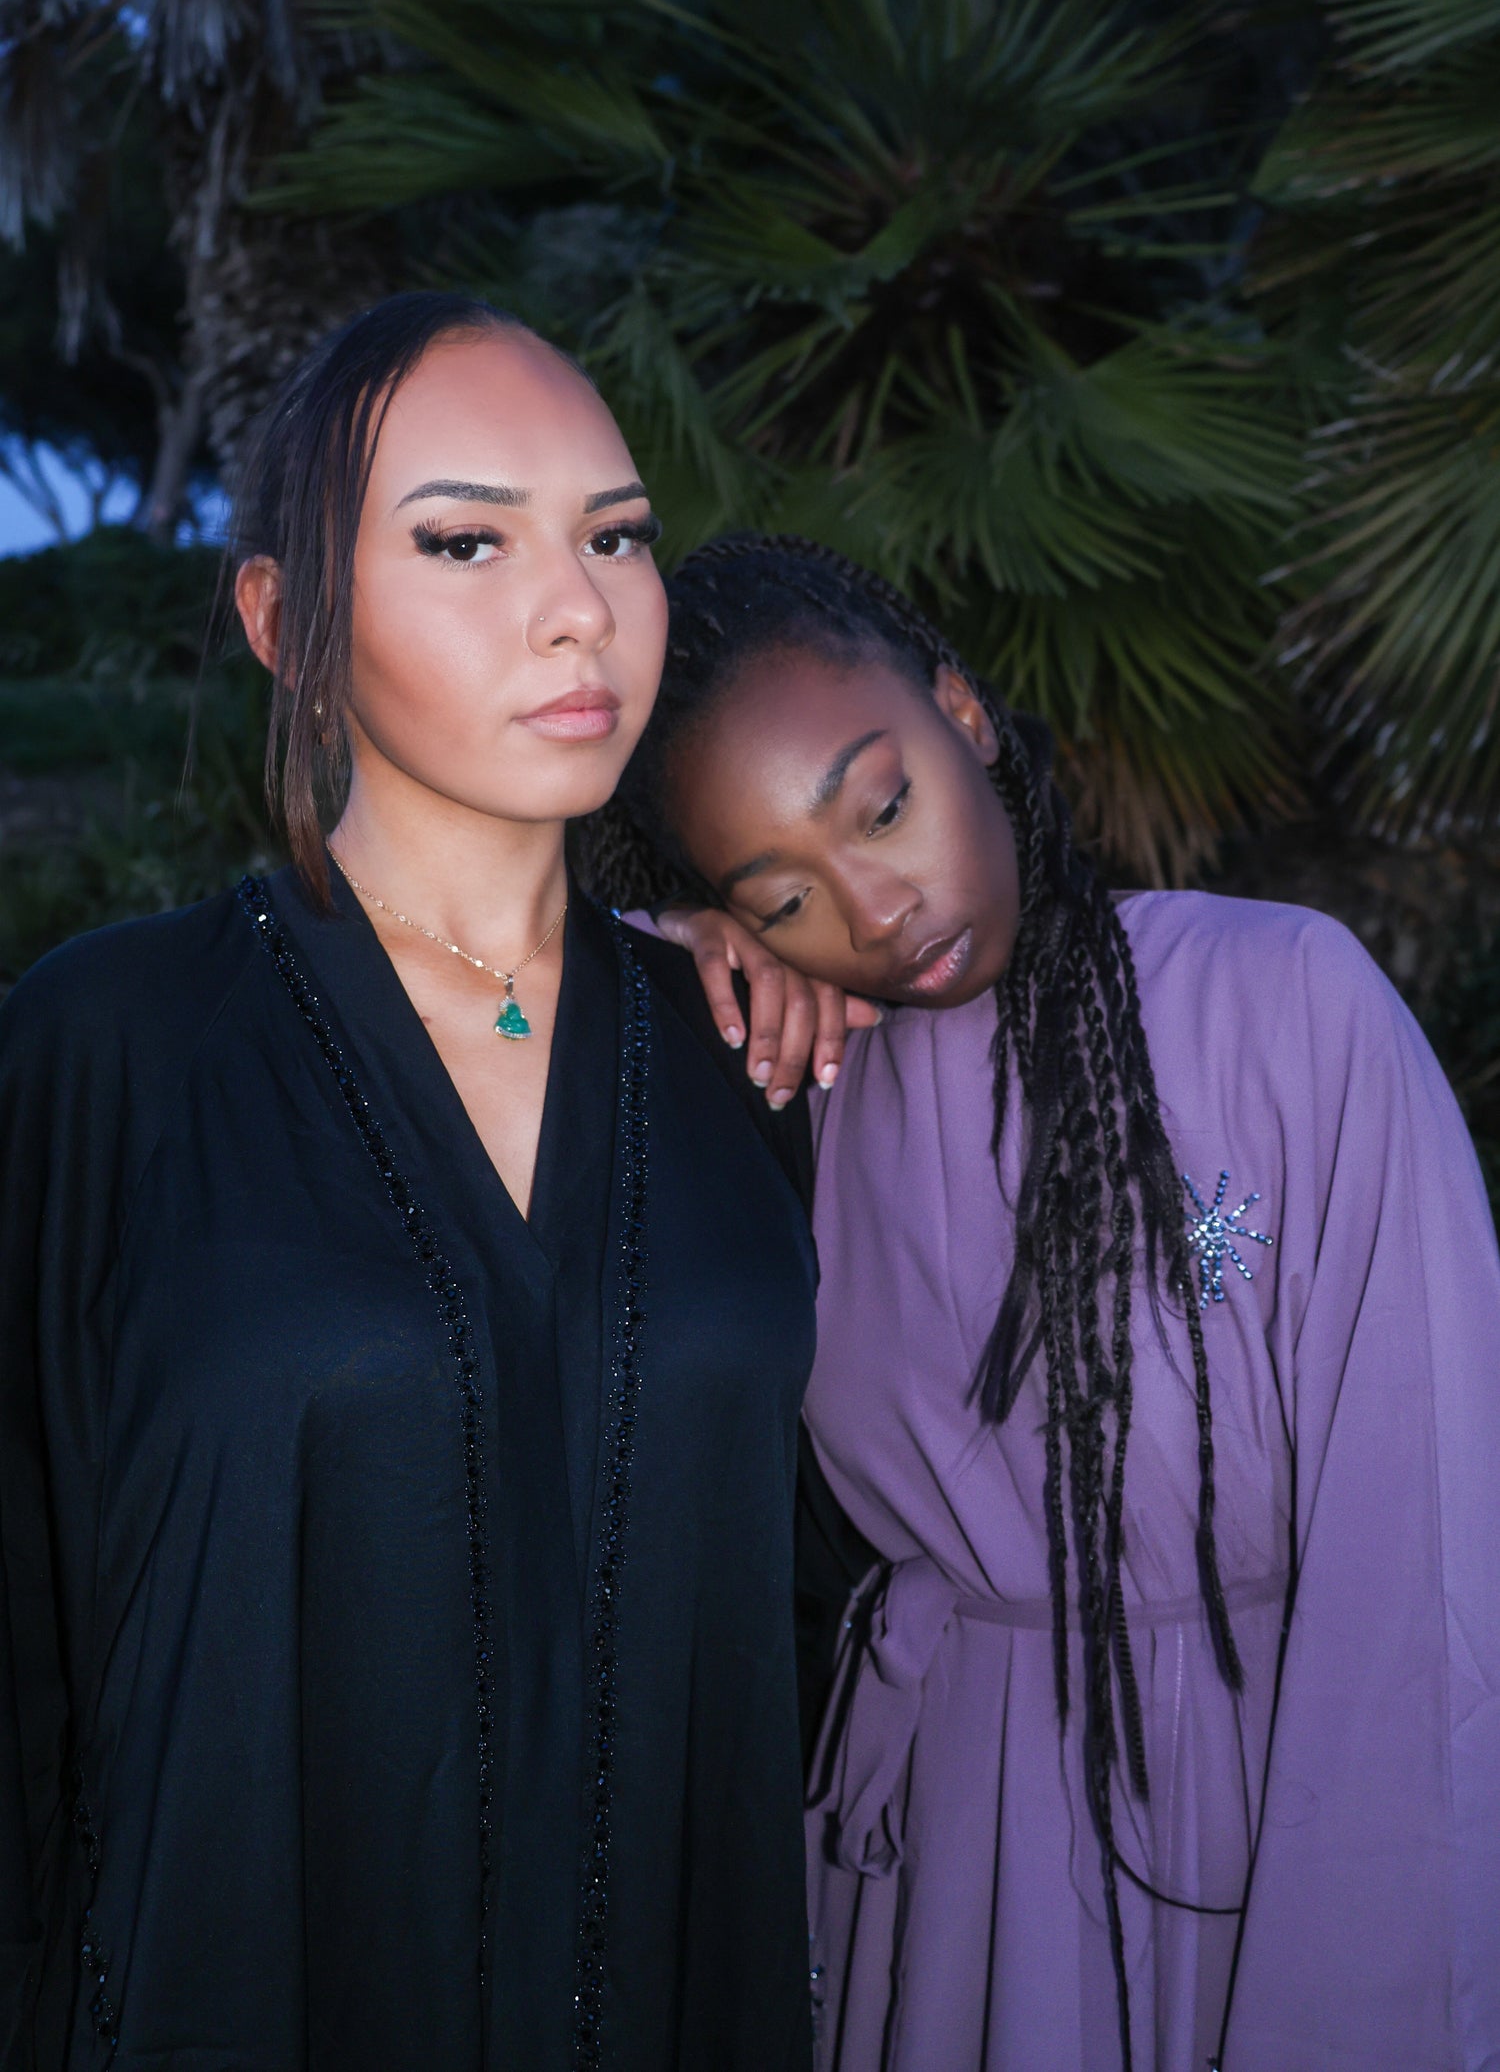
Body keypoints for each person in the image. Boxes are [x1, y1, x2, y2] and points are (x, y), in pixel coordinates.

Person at [0, 302, 819, 2072]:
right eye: (466, 541)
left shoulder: (747, 1049)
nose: (579, 607)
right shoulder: (105, 1048)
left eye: (617, 535)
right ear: (283, 620)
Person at [581, 534, 1500, 2072]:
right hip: (943, 1860)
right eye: (784, 892)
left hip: (1272, 1815)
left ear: (961, 710)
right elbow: (449, 1022)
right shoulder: (791, 1091)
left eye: (883, 806)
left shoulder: (1291, 998)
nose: (876, 905)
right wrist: (658, 963)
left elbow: (1433, 1558)